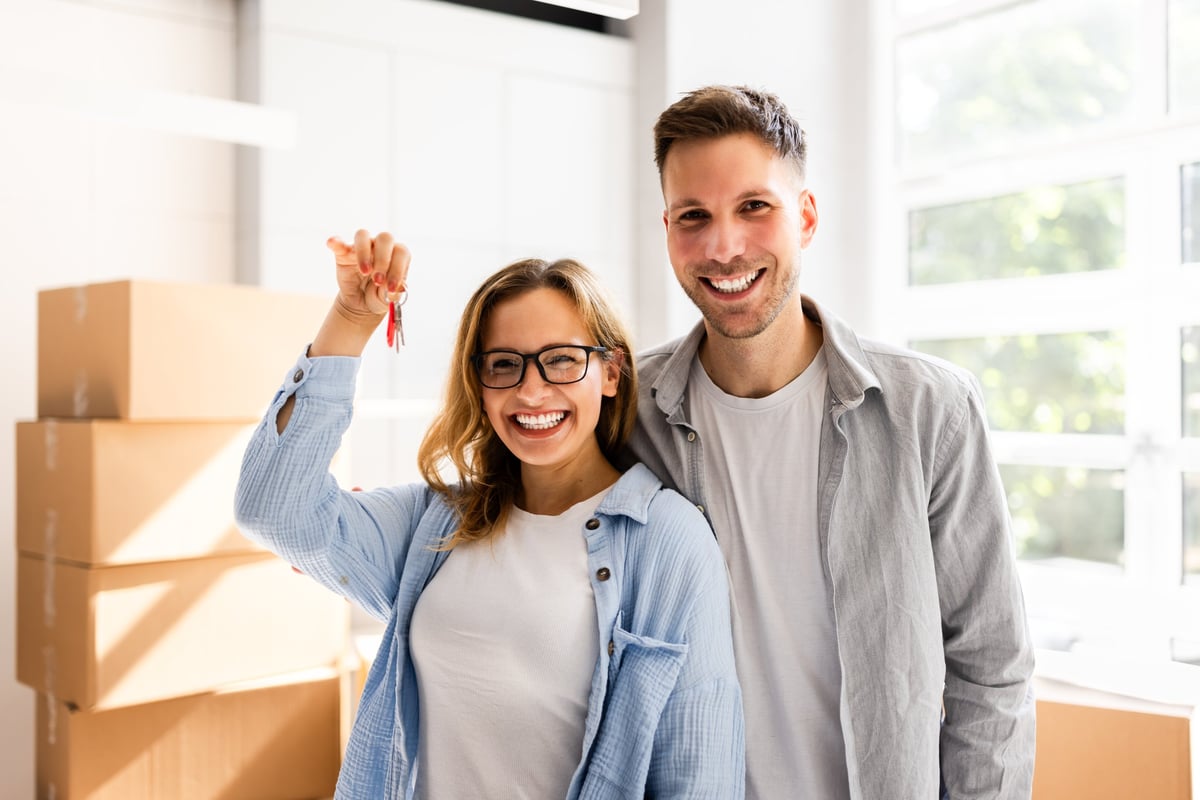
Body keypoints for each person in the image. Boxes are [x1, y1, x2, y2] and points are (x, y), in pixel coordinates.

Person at [623, 85, 1037, 799]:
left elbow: (992, 667)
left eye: (755, 207)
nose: (724, 247)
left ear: (806, 217)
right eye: (694, 217)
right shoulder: (626, 413)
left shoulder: (930, 408)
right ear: (667, 230)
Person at [234, 231, 745, 799]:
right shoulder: (436, 523)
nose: (531, 391)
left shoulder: (668, 540)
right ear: (478, 385)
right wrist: (352, 320)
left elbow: (699, 778)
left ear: (610, 372)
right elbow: (274, 508)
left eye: (561, 360)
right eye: (504, 365)